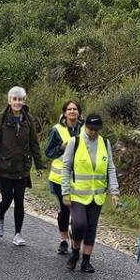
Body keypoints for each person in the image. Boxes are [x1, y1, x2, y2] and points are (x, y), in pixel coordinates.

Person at [60, 113, 120, 272]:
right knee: (80, 224)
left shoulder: (105, 143)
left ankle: (86, 260)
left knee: (91, 227)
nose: (93, 132)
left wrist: (114, 191)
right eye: (90, 129)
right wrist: (65, 192)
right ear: (85, 127)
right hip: (77, 194)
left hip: (97, 195)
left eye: (96, 130)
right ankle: (75, 251)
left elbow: (110, 168)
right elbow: (66, 167)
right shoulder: (75, 142)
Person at [0, 86, 45, 246]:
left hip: (22, 167)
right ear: (9, 100)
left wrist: (39, 165)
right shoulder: (1, 118)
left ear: (24, 101)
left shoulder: (28, 119)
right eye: (15, 99)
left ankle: (18, 234)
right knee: (7, 199)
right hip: (4, 167)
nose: (17, 102)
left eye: (20, 99)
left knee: (19, 199)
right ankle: (0, 217)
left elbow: (34, 143)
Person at [44, 100, 84, 254]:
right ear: (64, 113)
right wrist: (62, 148)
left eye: (75, 109)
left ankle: (75, 237)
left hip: (80, 177)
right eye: (69, 109)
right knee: (65, 209)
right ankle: (63, 241)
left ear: (79, 112)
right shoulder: (57, 129)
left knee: (77, 211)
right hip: (59, 178)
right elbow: (48, 152)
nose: (72, 111)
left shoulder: (85, 129)